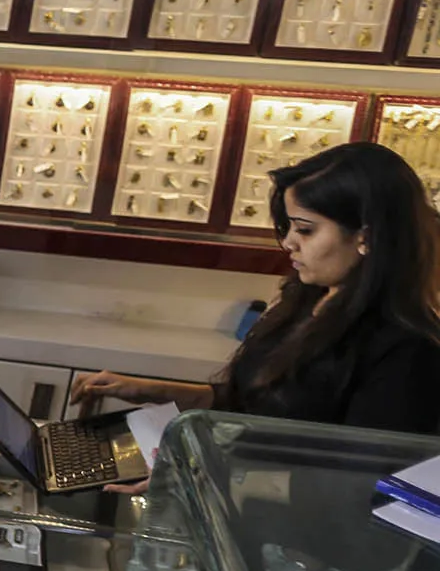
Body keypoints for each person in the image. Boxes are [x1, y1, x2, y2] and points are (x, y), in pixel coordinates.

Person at [75, 142, 440, 436]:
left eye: (306, 230)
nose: (289, 244)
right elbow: (249, 407)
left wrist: (206, 473)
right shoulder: (307, 295)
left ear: (366, 236)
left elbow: (355, 478)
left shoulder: (407, 348)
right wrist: (152, 391)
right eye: (289, 228)